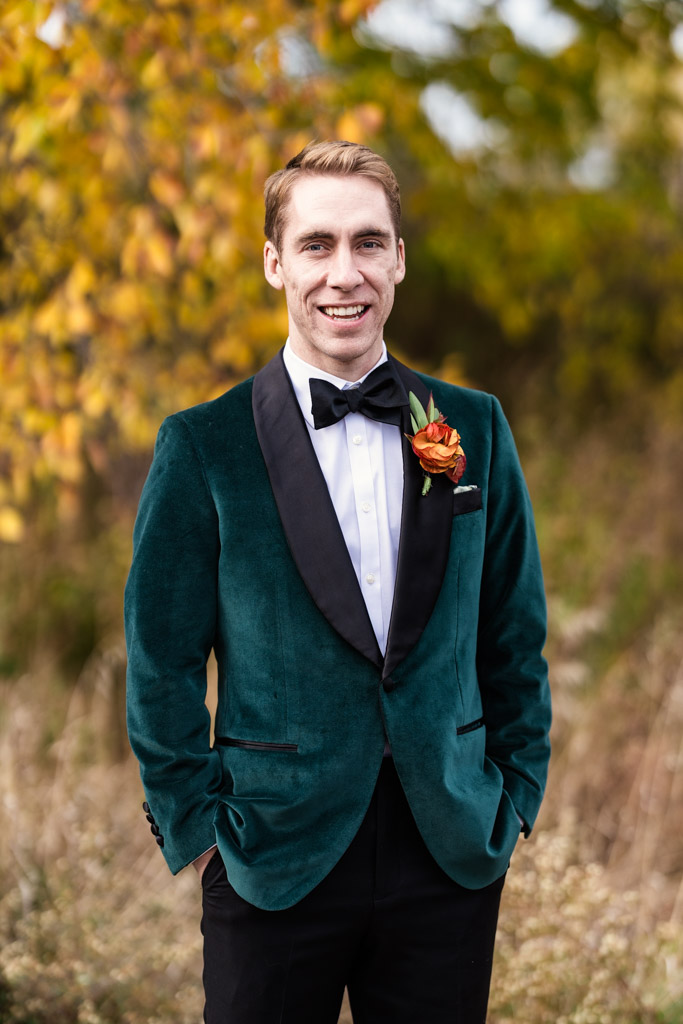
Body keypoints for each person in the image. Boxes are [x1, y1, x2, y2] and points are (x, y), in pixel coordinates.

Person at [125, 140, 551, 1023]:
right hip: (270, 858)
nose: (343, 273)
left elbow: (513, 631)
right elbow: (160, 662)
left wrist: (511, 797)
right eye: (317, 245)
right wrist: (202, 835)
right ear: (276, 262)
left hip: (448, 851)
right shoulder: (202, 446)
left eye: (367, 243)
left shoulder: (470, 426)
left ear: (398, 258)